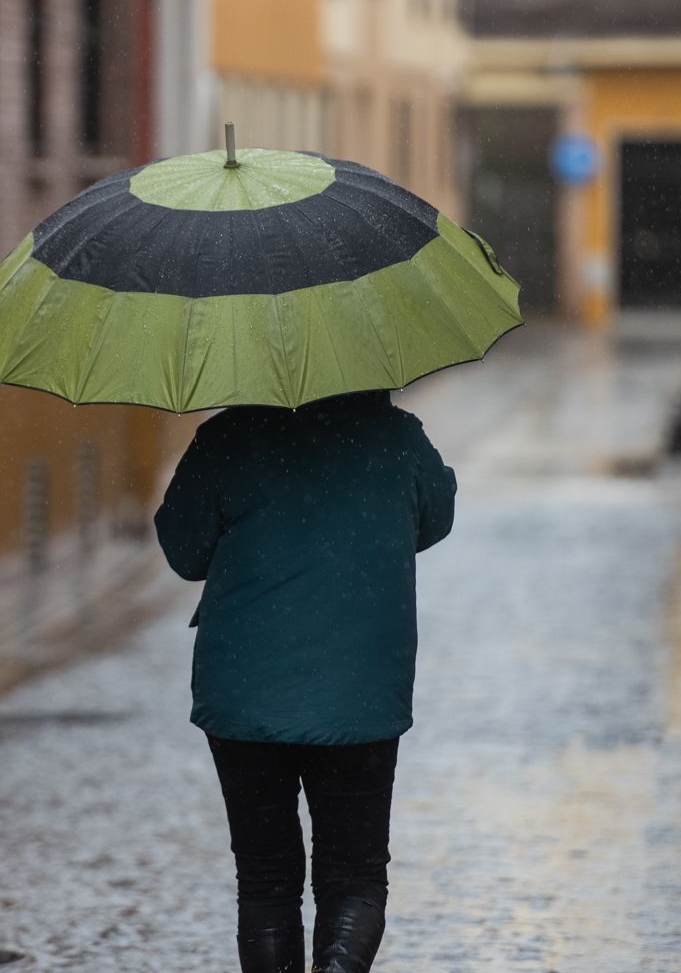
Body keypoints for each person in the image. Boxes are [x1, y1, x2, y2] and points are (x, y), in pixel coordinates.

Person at [153, 389, 456, 973]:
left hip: (244, 690)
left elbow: (185, 552)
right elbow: (435, 517)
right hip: (360, 693)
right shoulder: (394, 436)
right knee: (354, 874)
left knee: (265, 878)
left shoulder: (227, 438)